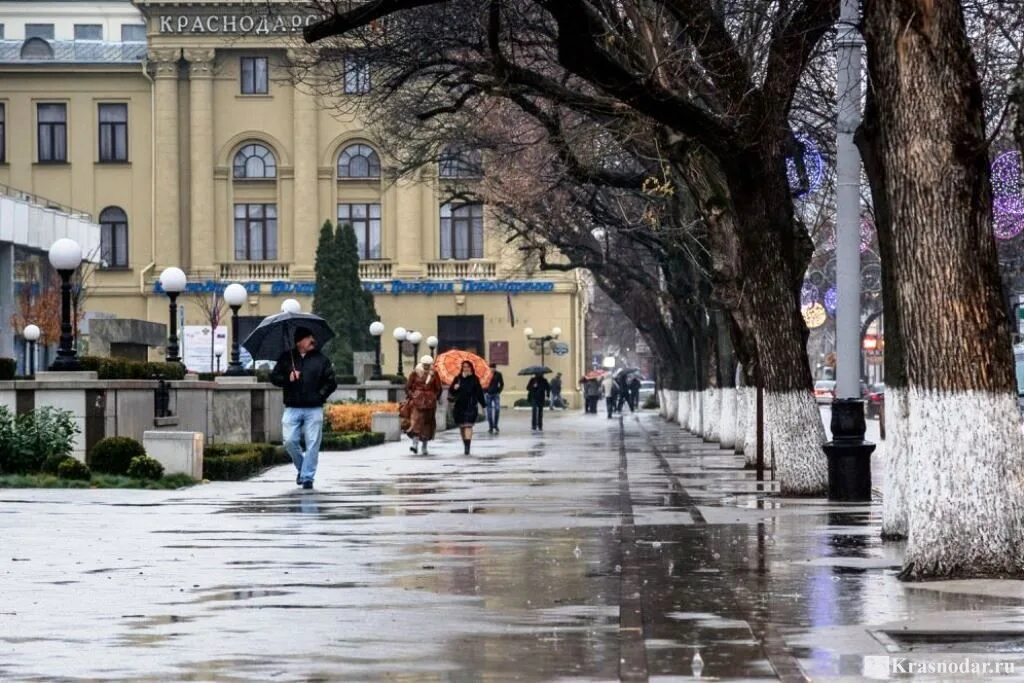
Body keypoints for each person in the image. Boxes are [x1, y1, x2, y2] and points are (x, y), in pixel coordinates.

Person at [270, 327, 338, 490]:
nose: (312, 341)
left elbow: (331, 382)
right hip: (292, 407)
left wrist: (320, 396)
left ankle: (307, 478)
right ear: (299, 341)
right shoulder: (287, 358)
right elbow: (274, 377)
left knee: (313, 443)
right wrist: (288, 378)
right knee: (289, 441)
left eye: (312, 337)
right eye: (308, 338)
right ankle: (302, 469)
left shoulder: (321, 359)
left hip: (313, 408)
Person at [405, 355, 442, 455]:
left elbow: (438, 388)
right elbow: (408, 387)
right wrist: (412, 395)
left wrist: (435, 397)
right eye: (424, 365)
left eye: (428, 365)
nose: (426, 367)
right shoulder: (415, 372)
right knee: (416, 421)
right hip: (417, 401)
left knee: (427, 423)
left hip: (430, 402)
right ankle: (414, 445)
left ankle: (424, 446)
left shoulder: (434, 374)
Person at [449, 360, 486, 454]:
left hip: (471, 405)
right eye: (464, 367)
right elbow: (451, 391)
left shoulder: (475, 379)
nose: (466, 368)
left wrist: (483, 404)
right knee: (462, 427)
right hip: (459, 405)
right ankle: (465, 443)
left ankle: (467, 448)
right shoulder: (458, 378)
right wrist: (454, 387)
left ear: (471, 368)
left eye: (468, 366)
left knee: (468, 426)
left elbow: (479, 392)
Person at [485, 362, 504, 434]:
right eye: (491, 368)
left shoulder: (498, 374)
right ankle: (490, 426)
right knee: (489, 412)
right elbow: (483, 383)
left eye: (493, 368)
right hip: (488, 394)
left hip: (496, 394)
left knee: (497, 409)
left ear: (495, 368)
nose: (492, 369)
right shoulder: (486, 374)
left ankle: (496, 425)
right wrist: (485, 391)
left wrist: (499, 391)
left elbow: (502, 384)